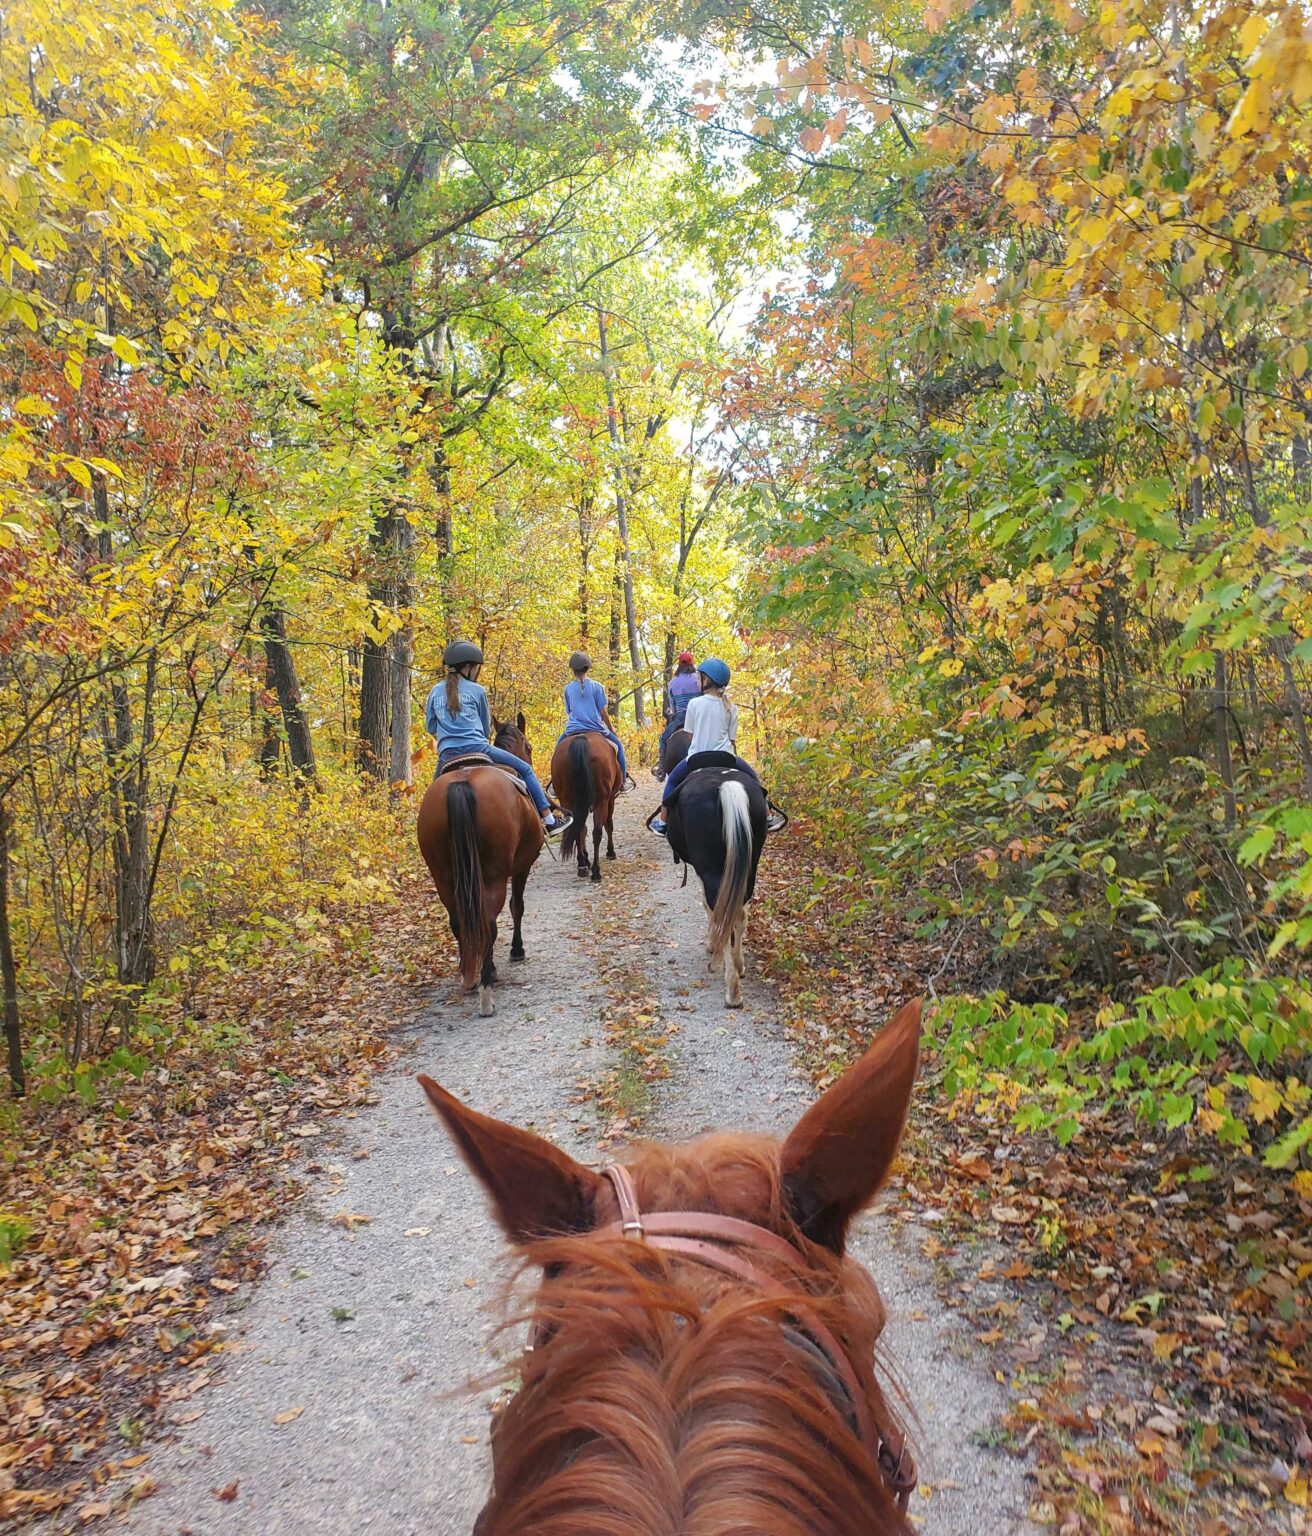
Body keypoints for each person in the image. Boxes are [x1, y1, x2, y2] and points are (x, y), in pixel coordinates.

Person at [425, 640, 565, 832]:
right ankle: (550, 821)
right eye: (475, 668)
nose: (475, 672)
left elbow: (430, 725)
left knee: (430, 801)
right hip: (478, 748)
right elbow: (485, 728)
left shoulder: (435, 691)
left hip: (447, 755)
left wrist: (448, 734)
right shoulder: (477, 690)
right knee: (525, 769)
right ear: (467, 667)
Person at [650, 657, 763, 834]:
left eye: (699, 677)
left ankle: (662, 822)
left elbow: (689, 735)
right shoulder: (731, 707)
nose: (697, 680)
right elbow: (732, 741)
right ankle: (769, 816)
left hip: (696, 758)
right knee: (754, 779)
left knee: (671, 781)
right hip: (726, 757)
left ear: (706, 680)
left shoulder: (694, 704)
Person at [557, 651, 633, 789]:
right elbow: (603, 712)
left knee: (558, 750)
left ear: (573, 670)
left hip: (573, 729)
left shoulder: (568, 689)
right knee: (619, 748)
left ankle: (555, 784)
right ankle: (623, 781)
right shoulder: (597, 687)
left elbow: (569, 711)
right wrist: (611, 729)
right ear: (588, 668)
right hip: (596, 728)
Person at [654, 651, 701, 779]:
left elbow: (673, 707)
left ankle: (662, 769)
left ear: (679, 665)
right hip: (698, 717)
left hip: (680, 717)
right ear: (692, 664)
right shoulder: (698, 679)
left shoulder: (672, 683)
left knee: (663, 739)